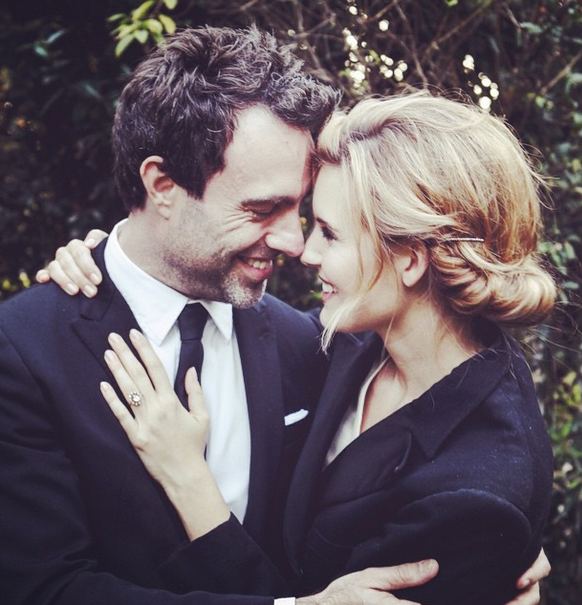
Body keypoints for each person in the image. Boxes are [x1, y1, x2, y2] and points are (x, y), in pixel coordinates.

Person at [45, 92, 555, 605]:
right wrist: (123, 261)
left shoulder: (475, 497)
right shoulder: (352, 342)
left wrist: (187, 477)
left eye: (329, 234)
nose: (303, 250)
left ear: (410, 259)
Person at [0, 25, 447, 605]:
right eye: (262, 209)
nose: (293, 242)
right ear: (162, 184)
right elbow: (42, 589)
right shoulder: (25, 350)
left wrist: (483, 563)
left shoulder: (305, 343)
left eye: (299, 208)